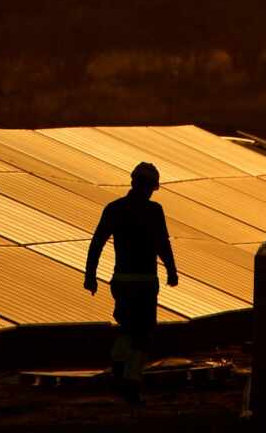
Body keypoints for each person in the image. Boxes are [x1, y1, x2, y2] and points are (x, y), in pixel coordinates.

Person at [84, 161, 178, 405]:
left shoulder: (114, 209)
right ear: (150, 186)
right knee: (143, 333)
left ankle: (118, 364)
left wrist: (90, 275)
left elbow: (97, 242)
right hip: (146, 282)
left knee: (127, 326)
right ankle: (131, 382)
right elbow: (162, 243)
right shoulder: (154, 211)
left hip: (122, 281)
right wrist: (171, 270)